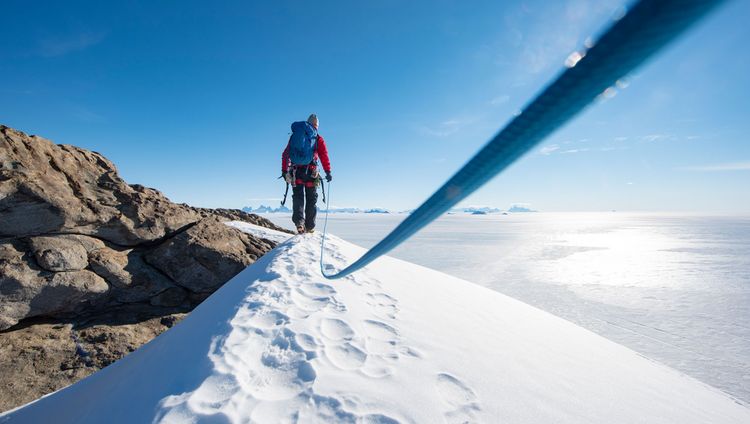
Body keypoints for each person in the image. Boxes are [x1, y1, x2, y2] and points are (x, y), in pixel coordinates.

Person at [281, 114, 332, 234]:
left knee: (298, 197)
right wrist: (328, 171)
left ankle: (299, 223)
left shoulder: (295, 136)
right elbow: (324, 156)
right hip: (311, 173)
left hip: (296, 172)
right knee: (311, 199)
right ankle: (310, 227)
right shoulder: (318, 138)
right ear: (316, 125)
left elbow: (285, 154)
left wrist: (284, 171)